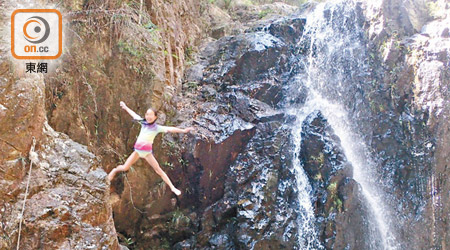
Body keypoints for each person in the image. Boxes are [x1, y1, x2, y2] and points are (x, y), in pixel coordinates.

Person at [108, 101, 194, 196]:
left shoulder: (156, 128)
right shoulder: (143, 122)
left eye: (151, 115)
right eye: (147, 114)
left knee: (158, 170)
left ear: (155, 117)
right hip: (137, 152)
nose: (148, 116)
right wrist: (125, 107)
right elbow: (134, 115)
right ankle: (114, 170)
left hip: (147, 153)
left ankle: (173, 188)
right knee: (125, 167)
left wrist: (183, 130)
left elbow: (170, 129)